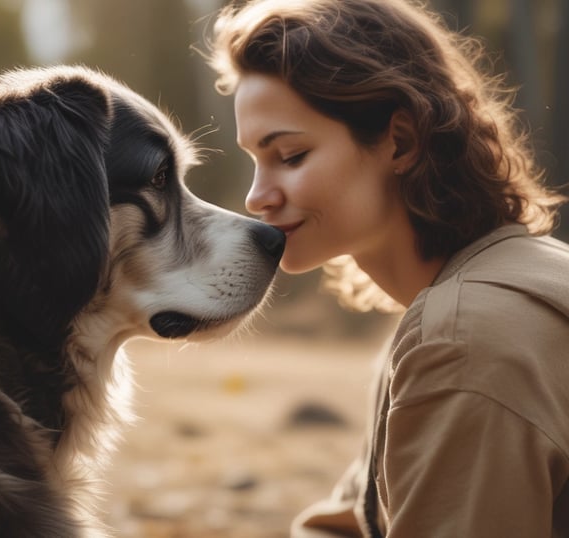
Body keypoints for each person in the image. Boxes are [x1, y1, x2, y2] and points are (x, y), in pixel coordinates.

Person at [205, 0, 569, 536]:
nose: (256, 197)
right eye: (255, 161)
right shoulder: (460, 309)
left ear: (400, 141)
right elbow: (352, 523)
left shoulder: (461, 339)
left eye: (291, 155)